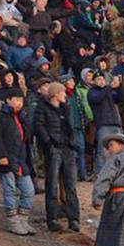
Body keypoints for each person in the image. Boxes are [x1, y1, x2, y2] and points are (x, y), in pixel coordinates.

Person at [0, 89, 36, 236]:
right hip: (6, 157)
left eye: (21, 100)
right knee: (10, 190)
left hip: (21, 158)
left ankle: (22, 219)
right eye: (16, 100)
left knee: (29, 190)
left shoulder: (21, 116)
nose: (19, 103)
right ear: (8, 100)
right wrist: (1, 155)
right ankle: (13, 222)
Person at [33, 81, 81, 233]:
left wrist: (73, 144)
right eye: (62, 92)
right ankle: (52, 218)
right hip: (54, 149)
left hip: (68, 149)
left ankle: (74, 219)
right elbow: (39, 126)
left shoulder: (66, 108)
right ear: (55, 94)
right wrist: (48, 143)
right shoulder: (42, 107)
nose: (65, 95)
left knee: (71, 186)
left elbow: (71, 127)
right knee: (52, 185)